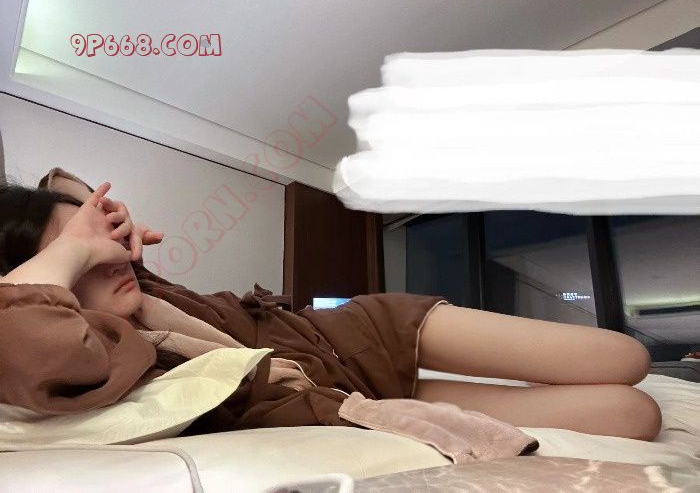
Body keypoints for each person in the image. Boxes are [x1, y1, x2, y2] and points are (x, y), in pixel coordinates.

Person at [0, 170, 662, 441]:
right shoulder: (93, 349)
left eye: (102, 240)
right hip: (346, 395)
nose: (111, 256)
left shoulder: (146, 292)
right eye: (80, 254)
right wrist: (73, 252)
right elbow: (22, 336)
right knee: (633, 413)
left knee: (624, 356)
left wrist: (101, 231)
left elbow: (65, 183)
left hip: (363, 331)